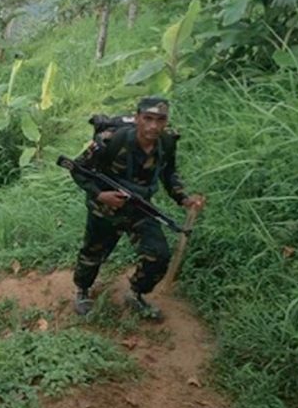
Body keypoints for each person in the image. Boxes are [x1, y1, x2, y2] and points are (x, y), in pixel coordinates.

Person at [70, 97, 204, 319]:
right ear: (137, 118)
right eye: (148, 119)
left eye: (160, 120)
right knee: (93, 253)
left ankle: (136, 293)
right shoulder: (112, 140)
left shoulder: (167, 142)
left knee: (158, 255)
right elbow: (78, 169)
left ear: (166, 121)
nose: (153, 126)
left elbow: (168, 173)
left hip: (139, 208)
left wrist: (183, 198)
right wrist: (101, 195)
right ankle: (83, 290)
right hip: (104, 209)